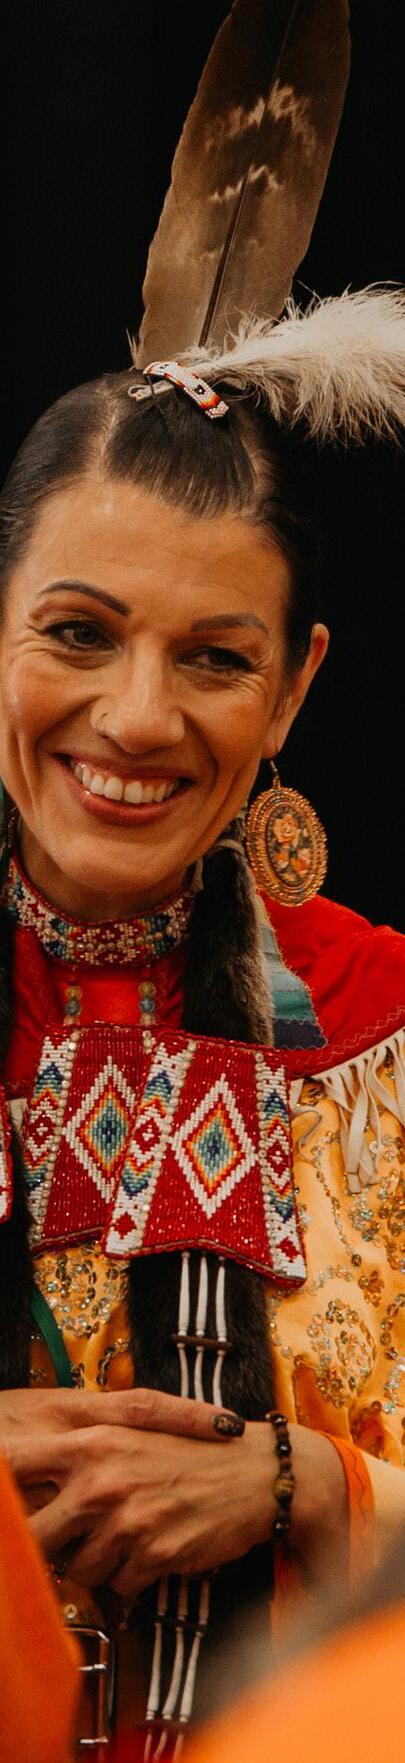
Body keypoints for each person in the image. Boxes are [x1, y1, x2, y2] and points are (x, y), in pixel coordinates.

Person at [0, 0, 404, 1754]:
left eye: (215, 657)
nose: (136, 719)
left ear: (295, 688)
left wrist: (301, 1483)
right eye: (78, 634)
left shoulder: (384, 1028)